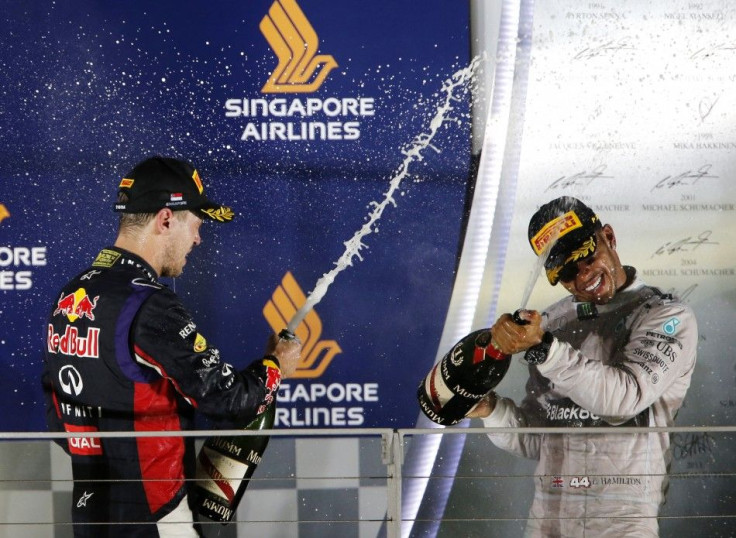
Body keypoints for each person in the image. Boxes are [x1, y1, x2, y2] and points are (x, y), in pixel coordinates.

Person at [41, 156, 302, 537]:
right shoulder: (150, 304)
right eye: (196, 224)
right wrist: (276, 366)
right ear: (166, 219)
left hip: (91, 514)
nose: (198, 238)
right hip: (157, 516)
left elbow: (56, 415)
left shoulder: (72, 294)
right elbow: (227, 401)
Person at [467, 196, 698, 537]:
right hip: (547, 521)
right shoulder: (553, 323)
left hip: (622, 523)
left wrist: (544, 349)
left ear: (609, 236)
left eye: (587, 257)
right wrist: (490, 409)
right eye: (567, 272)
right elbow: (539, 439)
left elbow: (623, 400)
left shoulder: (666, 316)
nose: (584, 275)